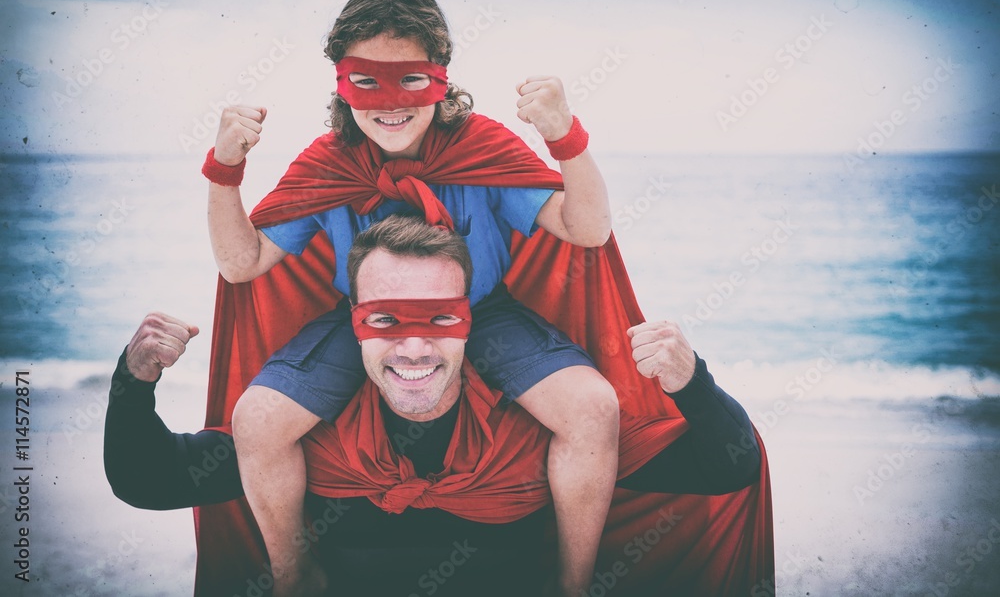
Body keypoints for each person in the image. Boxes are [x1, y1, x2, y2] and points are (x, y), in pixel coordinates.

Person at [204, 0, 619, 595]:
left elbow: (587, 229)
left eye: (410, 81)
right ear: (341, 85)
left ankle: (572, 583)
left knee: (593, 409)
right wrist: (224, 170)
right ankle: (294, 575)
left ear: (442, 80)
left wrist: (566, 137)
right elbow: (244, 265)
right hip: (367, 325)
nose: (389, 103)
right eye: (367, 82)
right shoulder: (328, 162)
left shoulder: (481, 147)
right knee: (258, 420)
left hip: (483, 314)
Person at [105, 215, 766, 596]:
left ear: (470, 324)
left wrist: (692, 384)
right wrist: (133, 381)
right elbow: (148, 478)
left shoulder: (545, 434)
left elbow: (726, 465)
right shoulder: (302, 439)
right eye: (387, 318)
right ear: (353, 326)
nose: (415, 345)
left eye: (439, 318)